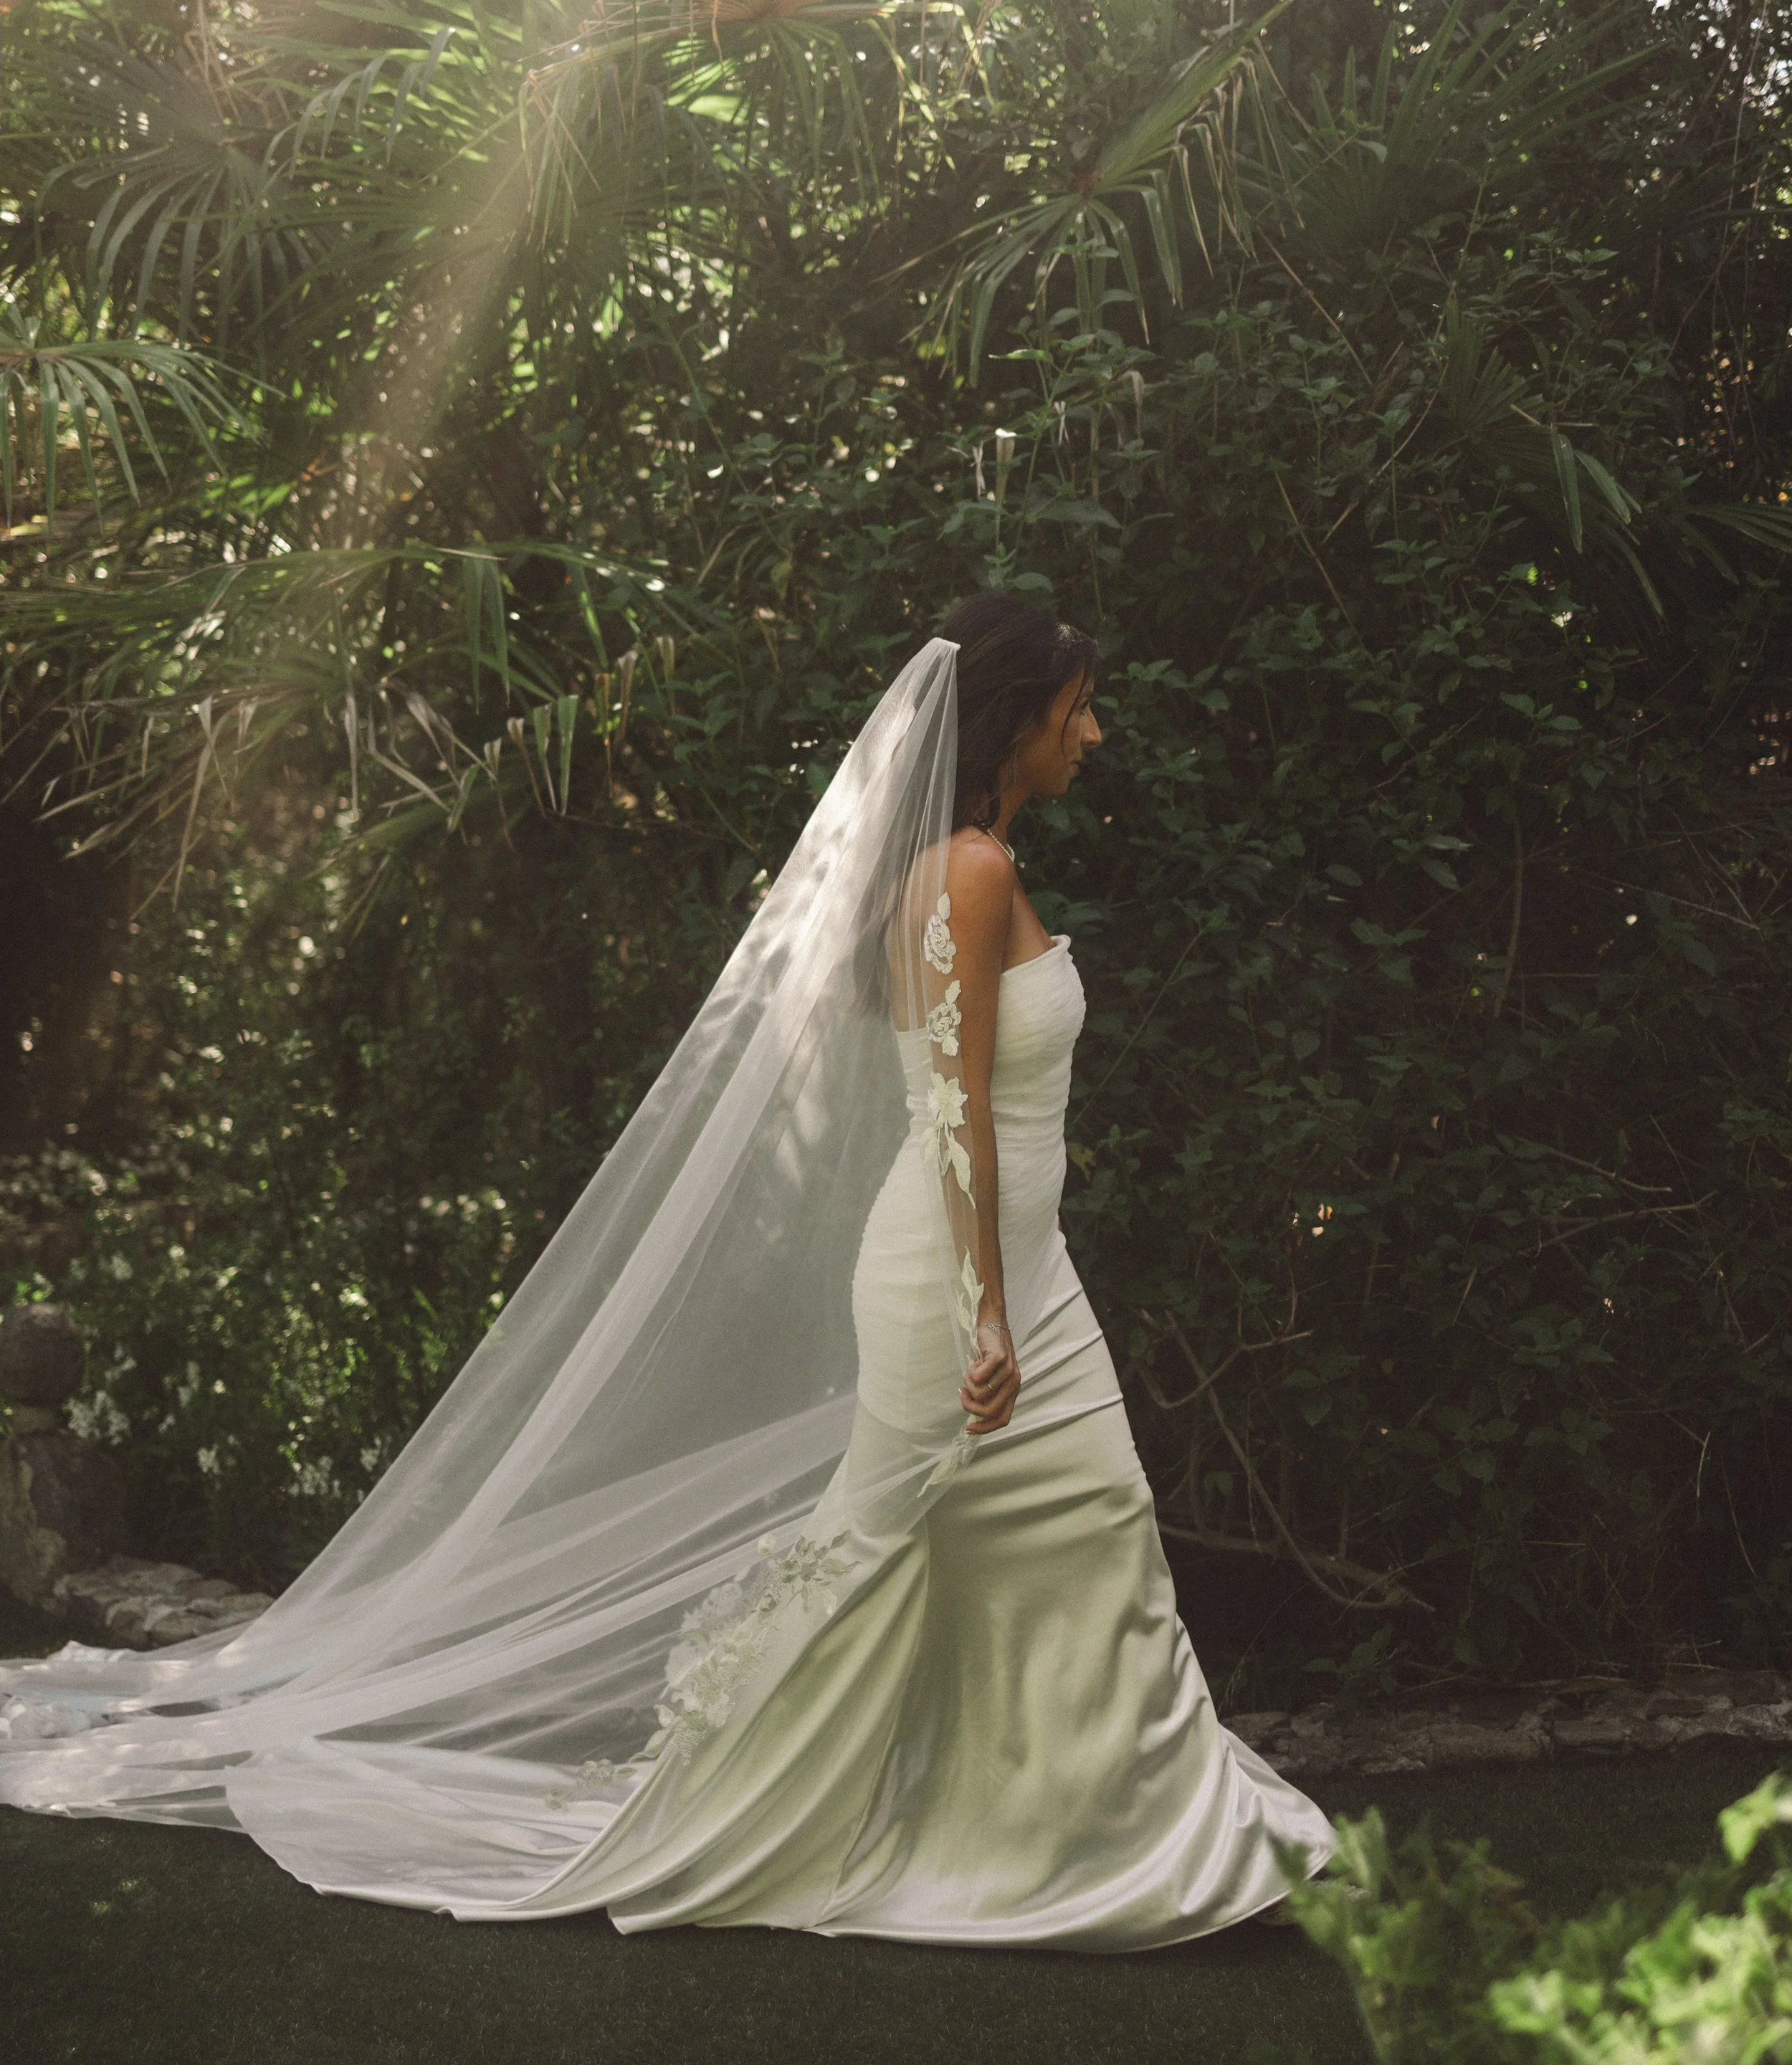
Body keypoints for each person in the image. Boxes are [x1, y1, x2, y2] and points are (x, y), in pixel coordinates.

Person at [0, 595, 1333, 1943]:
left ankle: (1106, 1831)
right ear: (1016, 721)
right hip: (960, 1286)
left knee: (1070, 1543)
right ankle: (790, 1819)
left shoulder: (982, 864)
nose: (1094, 733)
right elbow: (953, 1115)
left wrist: (1016, 1283)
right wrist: (986, 1314)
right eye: (1077, 710)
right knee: (904, 1552)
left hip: (1022, 1270)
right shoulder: (967, 874)